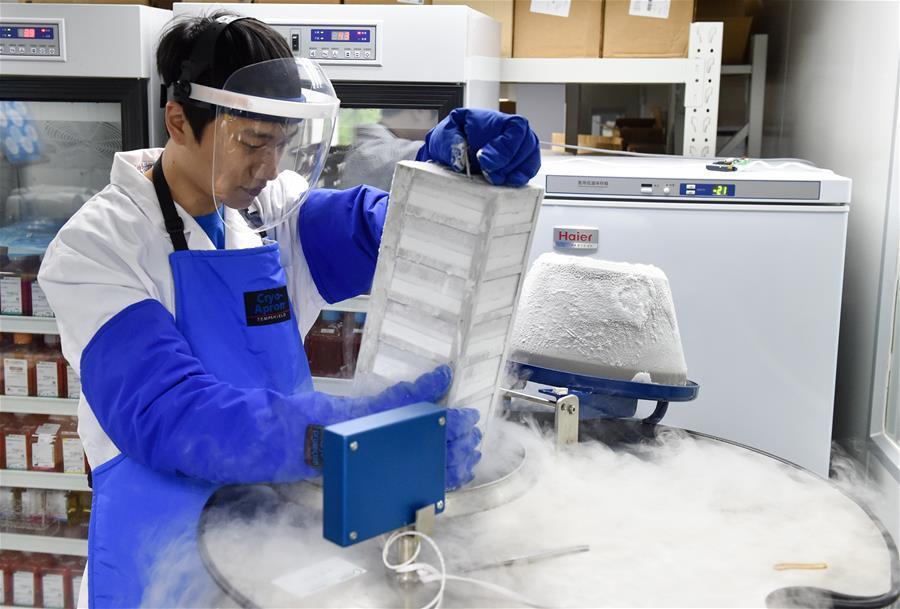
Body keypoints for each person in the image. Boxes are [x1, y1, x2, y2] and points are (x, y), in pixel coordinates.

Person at [37, 12, 541, 609]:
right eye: (252, 143)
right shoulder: (99, 246)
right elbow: (169, 412)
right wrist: (341, 437)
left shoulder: (265, 210)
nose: (270, 166)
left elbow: (376, 231)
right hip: (158, 554)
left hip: (279, 538)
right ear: (179, 120)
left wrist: (444, 170)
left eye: (281, 143)